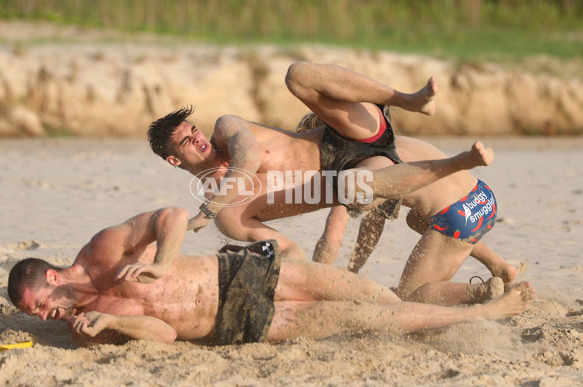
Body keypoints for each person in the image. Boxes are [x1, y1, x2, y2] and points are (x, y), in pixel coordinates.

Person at [7, 207, 535, 347]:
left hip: (245, 270)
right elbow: (165, 333)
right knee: (365, 317)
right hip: (245, 323)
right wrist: (111, 324)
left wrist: (164, 261)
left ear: (52, 276)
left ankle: (456, 304)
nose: (49, 317)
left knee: (368, 293)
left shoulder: (99, 253)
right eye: (39, 318)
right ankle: (486, 310)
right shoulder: (87, 327)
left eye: (41, 305)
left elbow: (169, 217)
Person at [147, 62, 494, 265]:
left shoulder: (227, 128)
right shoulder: (230, 215)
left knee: (296, 73)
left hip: (344, 130)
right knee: (354, 189)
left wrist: (205, 213)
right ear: (175, 159)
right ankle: (462, 161)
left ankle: (409, 99)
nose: (197, 137)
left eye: (193, 130)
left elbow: (249, 159)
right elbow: (291, 253)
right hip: (358, 171)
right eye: (186, 141)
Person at [294, 115, 523, 298]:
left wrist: (316, 286)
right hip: (483, 197)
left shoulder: (358, 170)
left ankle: (483, 291)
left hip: (457, 218)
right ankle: (501, 267)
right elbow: (373, 226)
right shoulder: (383, 143)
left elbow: (334, 234)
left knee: (410, 297)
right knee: (414, 219)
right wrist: (353, 273)